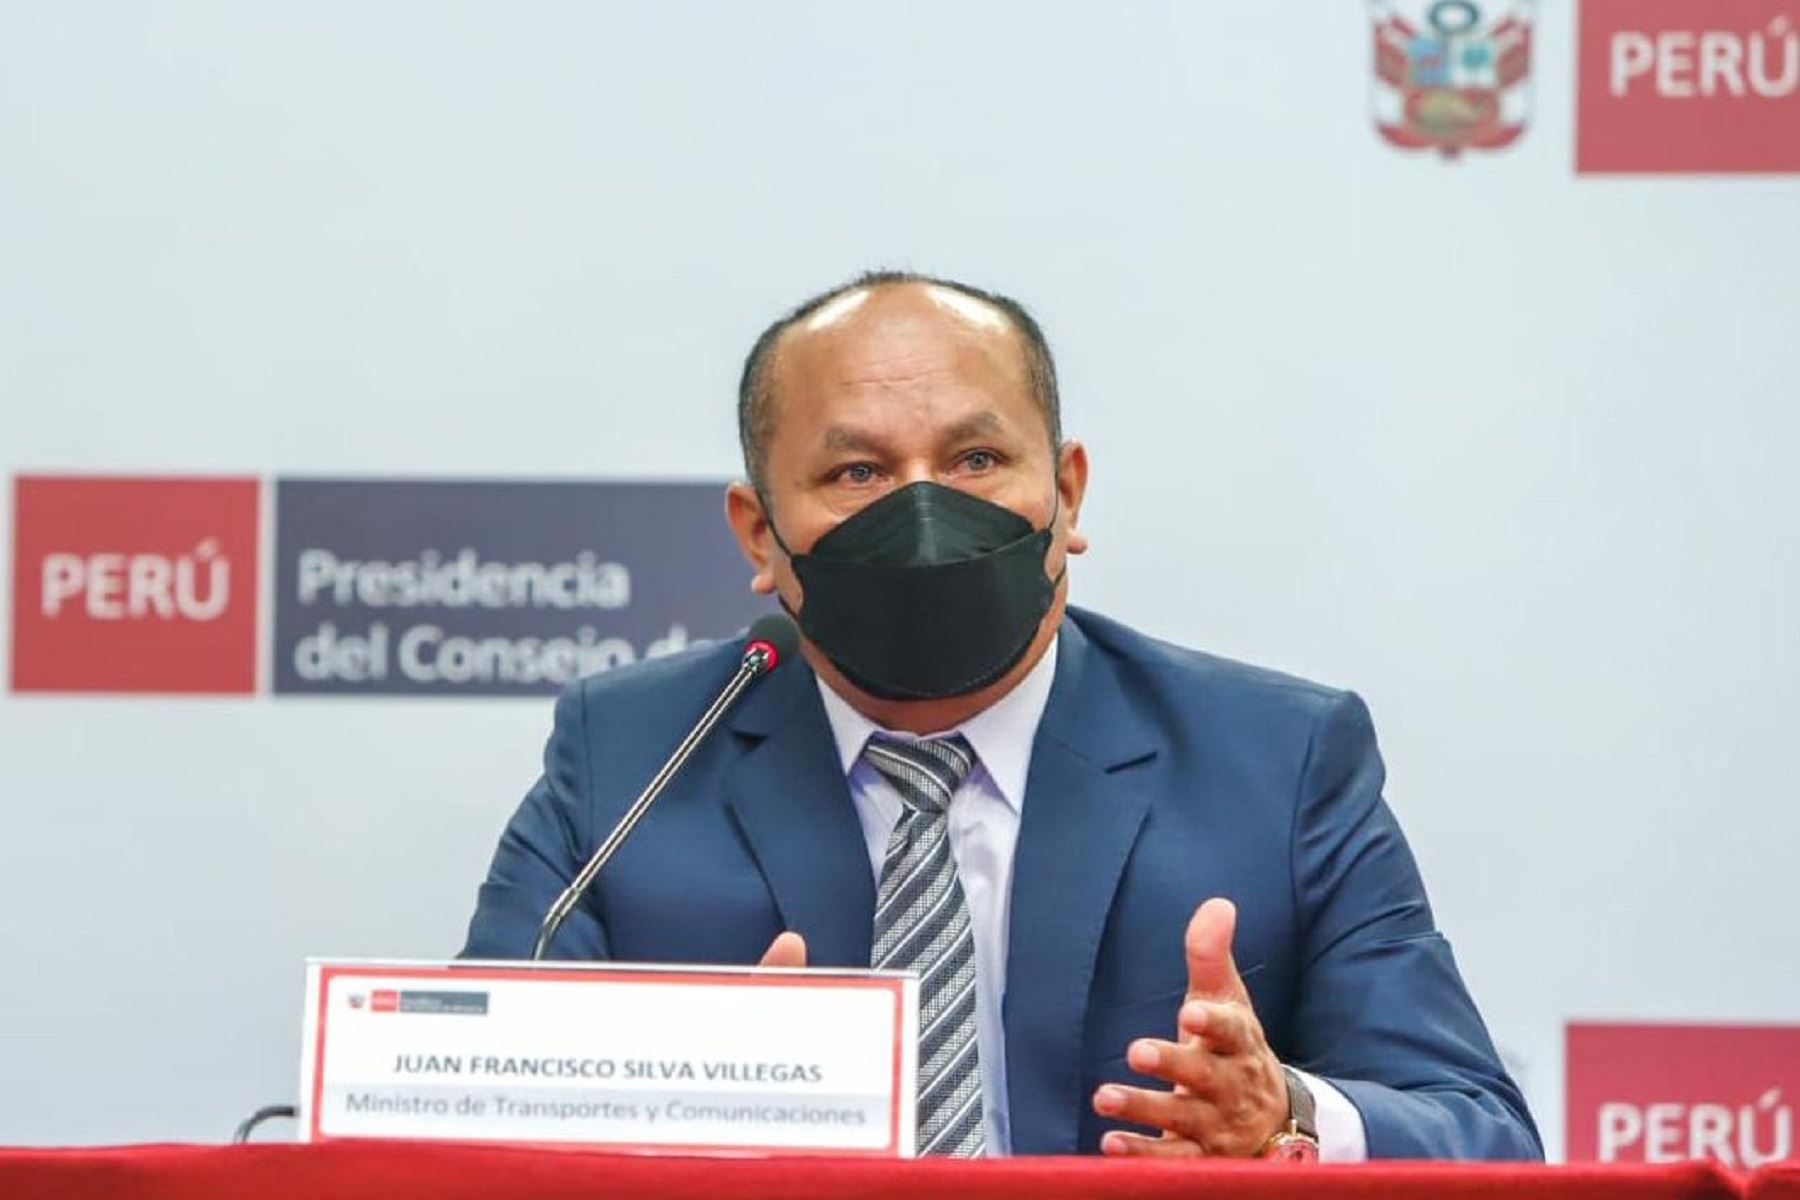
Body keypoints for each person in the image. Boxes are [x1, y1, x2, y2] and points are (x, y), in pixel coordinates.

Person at [462, 270, 1541, 1161]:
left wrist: (1286, 1116)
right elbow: (464, 1123)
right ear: (759, 534)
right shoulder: (634, 760)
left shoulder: (1277, 760)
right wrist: (678, 1116)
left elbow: (1481, 1136)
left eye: (976, 461)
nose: (925, 513)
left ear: (1067, 493)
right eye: (858, 471)